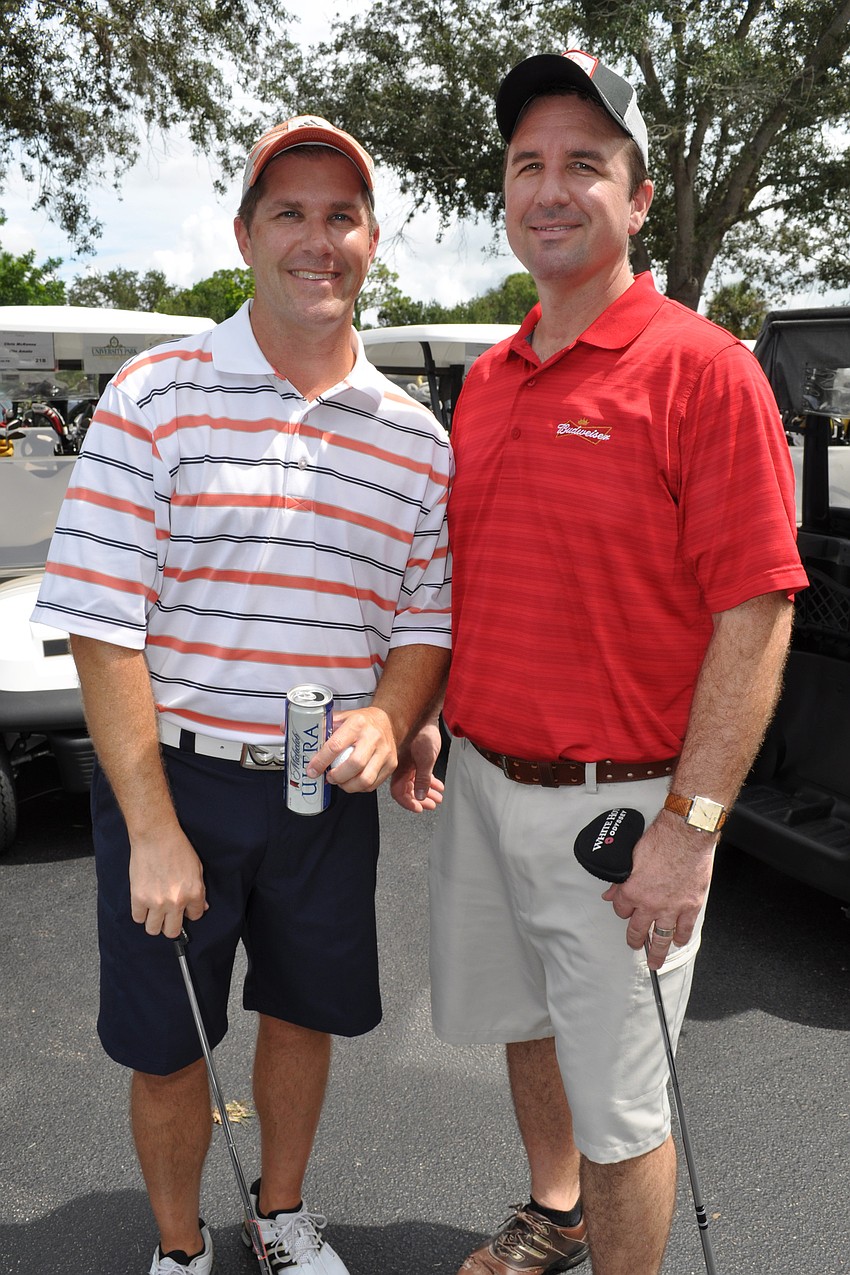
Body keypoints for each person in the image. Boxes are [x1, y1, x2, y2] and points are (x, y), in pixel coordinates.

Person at [33, 115, 451, 1275]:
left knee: (304, 1015)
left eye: (341, 216)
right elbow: (103, 629)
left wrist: (390, 713)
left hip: (324, 792)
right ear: (244, 235)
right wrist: (154, 827)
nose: (317, 240)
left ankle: (281, 1216)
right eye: (289, 214)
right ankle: (180, 1249)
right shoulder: (154, 395)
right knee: (167, 1044)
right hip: (176, 783)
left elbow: (423, 622)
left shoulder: (416, 439)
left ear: (372, 240)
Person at [419, 49, 808, 1275]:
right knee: (528, 1027)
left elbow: (756, 613)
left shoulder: (706, 370)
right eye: (526, 163)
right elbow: (483, 572)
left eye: (583, 164)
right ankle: (556, 1212)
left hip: (621, 812)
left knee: (625, 1108)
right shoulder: (489, 379)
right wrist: (429, 712)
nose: (550, 189)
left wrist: (690, 828)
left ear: (636, 200)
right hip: (483, 782)